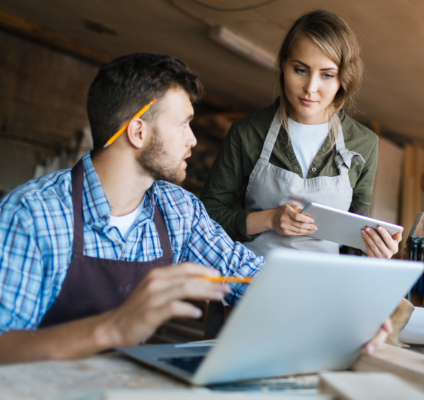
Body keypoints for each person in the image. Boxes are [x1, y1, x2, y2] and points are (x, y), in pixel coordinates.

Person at [0, 52, 390, 365]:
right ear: (138, 132)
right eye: (184, 124)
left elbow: (249, 278)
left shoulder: (177, 210)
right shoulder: (32, 215)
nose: (192, 140)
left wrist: (348, 316)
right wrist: (110, 329)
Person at [201, 10, 402, 258]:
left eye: (327, 75)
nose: (310, 88)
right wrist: (269, 219)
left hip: (324, 287)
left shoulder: (364, 142)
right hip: (251, 280)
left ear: (343, 79)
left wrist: (375, 249)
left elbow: (353, 239)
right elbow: (208, 216)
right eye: (300, 70)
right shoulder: (248, 132)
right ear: (284, 65)